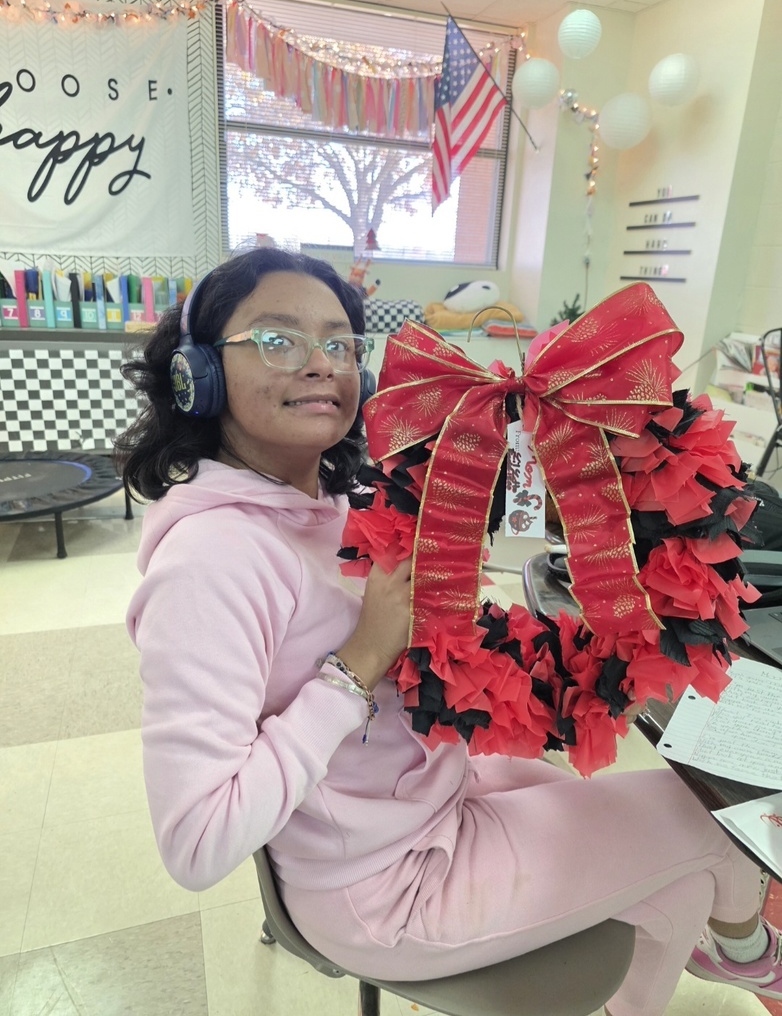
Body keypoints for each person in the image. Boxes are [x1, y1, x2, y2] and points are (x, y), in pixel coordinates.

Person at [117, 247, 781, 1016]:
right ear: (196, 373)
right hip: (384, 886)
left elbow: (415, 642)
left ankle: (712, 950)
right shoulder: (211, 562)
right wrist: (357, 662)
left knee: (690, 868)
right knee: (703, 828)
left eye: (339, 344)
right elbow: (196, 844)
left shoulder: (326, 505)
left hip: (432, 803)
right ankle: (758, 960)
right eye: (277, 340)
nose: (318, 364)